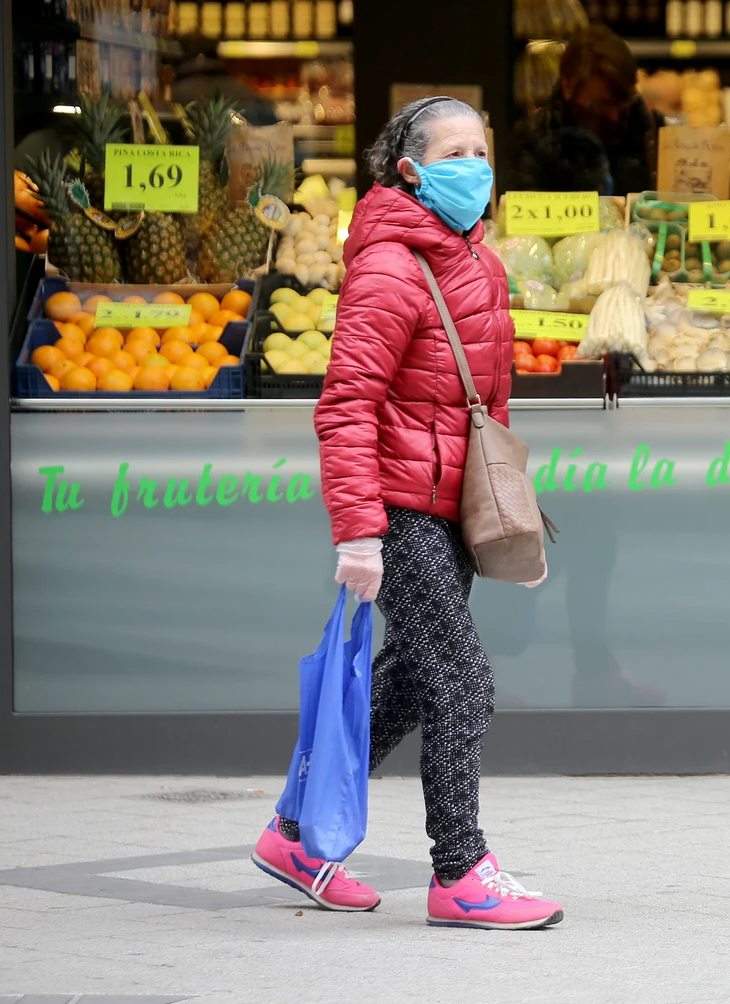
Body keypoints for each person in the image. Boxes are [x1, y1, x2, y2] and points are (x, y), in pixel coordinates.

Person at [250, 96, 565, 930]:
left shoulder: (480, 262)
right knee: (462, 679)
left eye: (481, 148)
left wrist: (500, 510)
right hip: (395, 506)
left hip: (445, 506)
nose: (475, 166)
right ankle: (459, 870)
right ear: (411, 170)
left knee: (411, 676)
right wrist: (357, 531)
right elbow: (346, 402)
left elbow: (478, 408)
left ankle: (295, 836)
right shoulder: (390, 266)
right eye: (454, 152)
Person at [513, 25, 659, 195]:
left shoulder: (652, 133)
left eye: (622, 104)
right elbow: (524, 213)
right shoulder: (532, 139)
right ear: (568, 85)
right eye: (600, 105)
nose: (614, 116)